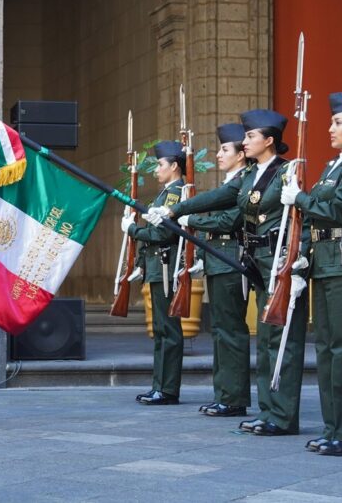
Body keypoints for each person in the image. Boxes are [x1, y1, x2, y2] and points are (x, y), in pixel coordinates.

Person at [152, 109, 307, 435]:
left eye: (250, 136)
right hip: (257, 262)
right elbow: (218, 196)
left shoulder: (285, 172)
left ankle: (281, 415)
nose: (245, 140)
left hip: (275, 262)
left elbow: (293, 219)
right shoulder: (250, 177)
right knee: (265, 339)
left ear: (268, 140)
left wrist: (299, 261)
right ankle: (268, 411)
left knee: (279, 340)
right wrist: (175, 209)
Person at [281, 92, 342, 456]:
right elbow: (314, 219)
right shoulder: (332, 166)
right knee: (325, 350)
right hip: (324, 264)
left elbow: (337, 210)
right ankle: (332, 427)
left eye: (338, 122)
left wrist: (301, 199)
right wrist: (302, 259)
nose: (331, 128)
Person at [175, 123, 249, 417]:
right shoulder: (230, 181)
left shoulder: (243, 181)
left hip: (231, 258)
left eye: (224, 149)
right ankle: (225, 393)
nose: (218, 154)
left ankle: (233, 398)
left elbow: (230, 221)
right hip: (218, 259)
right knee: (220, 330)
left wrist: (192, 221)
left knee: (230, 331)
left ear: (241, 154)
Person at [122, 140, 185, 405]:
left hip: (166, 267)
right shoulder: (164, 194)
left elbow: (162, 233)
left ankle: (167, 389)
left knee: (168, 329)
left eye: (160, 164)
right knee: (160, 329)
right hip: (157, 267)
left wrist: (133, 230)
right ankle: (159, 385)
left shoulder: (176, 193)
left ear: (174, 166)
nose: (156, 170)